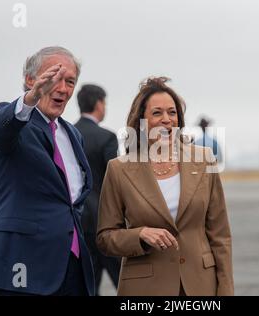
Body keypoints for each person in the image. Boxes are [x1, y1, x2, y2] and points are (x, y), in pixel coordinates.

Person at [0, 46, 95, 296]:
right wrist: (30, 99)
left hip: (69, 269)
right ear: (30, 79)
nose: (62, 88)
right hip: (17, 267)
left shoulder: (73, 135)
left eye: (70, 81)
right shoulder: (10, 118)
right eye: (54, 78)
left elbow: (70, 201)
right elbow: (0, 133)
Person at [96, 77, 234, 296]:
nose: (166, 120)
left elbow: (220, 235)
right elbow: (105, 237)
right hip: (144, 289)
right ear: (141, 120)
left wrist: (225, 290)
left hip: (200, 286)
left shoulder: (204, 159)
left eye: (172, 112)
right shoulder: (119, 169)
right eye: (157, 113)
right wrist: (139, 234)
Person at [74, 84, 121, 295]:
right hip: (106, 221)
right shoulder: (107, 137)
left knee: (87, 287)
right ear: (99, 104)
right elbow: (116, 181)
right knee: (126, 284)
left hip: (78, 221)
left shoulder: (67, 134)